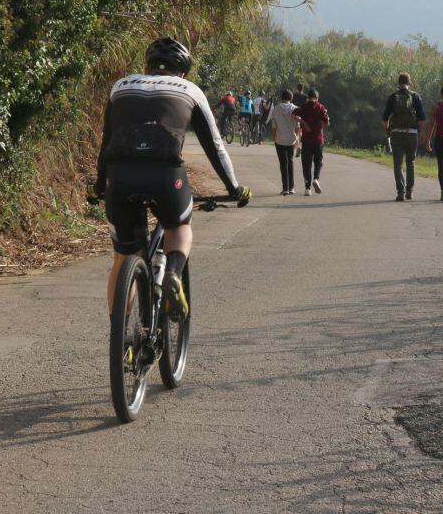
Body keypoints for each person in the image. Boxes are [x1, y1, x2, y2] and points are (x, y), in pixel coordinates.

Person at [93, 38, 252, 321]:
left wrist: (97, 188)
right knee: (179, 227)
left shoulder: (120, 86)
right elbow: (214, 147)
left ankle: (123, 340)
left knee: (122, 258)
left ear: (146, 66)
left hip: (120, 176)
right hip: (165, 175)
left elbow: (107, 145)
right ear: (182, 73)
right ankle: (173, 276)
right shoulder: (191, 90)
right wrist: (234, 188)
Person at [381, 72, 427, 201]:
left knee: (398, 164)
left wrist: (389, 130)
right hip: (412, 134)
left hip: (396, 134)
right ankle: (409, 192)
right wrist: (423, 132)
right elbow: (422, 118)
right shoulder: (415, 97)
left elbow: (385, 120)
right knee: (410, 163)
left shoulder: (392, 97)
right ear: (409, 83)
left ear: (398, 83)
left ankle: (400, 193)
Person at [293, 88, 329, 196]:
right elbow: (327, 123)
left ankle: (308, 188)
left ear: (308, 97)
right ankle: (316, 179)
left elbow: (293, 114)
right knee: (318, 161)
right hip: (318, 140)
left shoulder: (304, 107)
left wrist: (303, 122)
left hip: (307, 140)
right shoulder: (321, 107)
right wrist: (321, 123)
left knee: (306, 164)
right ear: (317, 98)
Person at [267, 90, 299, 195]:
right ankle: (292, 187)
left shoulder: (276, 109)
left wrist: (274, 137)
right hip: (291, 140)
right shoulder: (295, 109)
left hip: (280, 139)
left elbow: (273, 126)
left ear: (282, 98)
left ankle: (285, 188)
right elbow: (298, 127)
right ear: (291, 98)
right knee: (290, 161)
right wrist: (297, 138)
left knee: (283, 163)